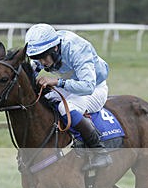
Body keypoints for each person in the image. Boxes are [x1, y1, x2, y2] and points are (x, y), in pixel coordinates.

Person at [25, 23, 112, 170]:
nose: (42, 62)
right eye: (37, 58)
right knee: (44, 100)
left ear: (55, 48)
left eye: (43, 57)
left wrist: (57, 81)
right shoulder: (45, 49)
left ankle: (100, 152)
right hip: (71, 86)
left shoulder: (77, 50)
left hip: (94, 88)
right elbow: (32, 72)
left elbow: (87, 86)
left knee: (65, 108)